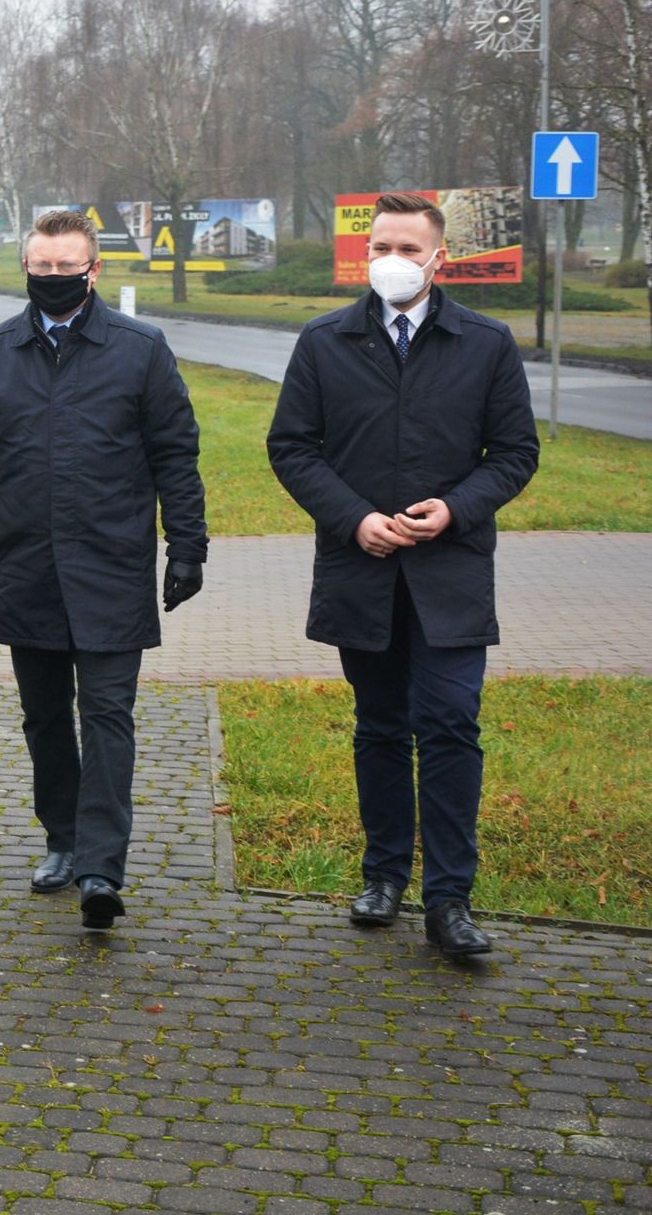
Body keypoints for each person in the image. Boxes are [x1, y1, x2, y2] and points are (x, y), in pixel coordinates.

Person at [268, 192, 539, 958]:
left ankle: (450, 899)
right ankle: (383, 876)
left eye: (408, 248)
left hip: (451, 574)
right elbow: (292, 447)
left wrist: (455, 509)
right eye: (380, 247)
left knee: (450, 722)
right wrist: (353, 517)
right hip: (364, 570)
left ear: (438, 258)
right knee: (381, 725)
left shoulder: (485, 343)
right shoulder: (325, 341)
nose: (392, 259)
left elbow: (515, 453)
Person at [0, 209, 208, 934]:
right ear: (27, 267)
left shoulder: (140, 350)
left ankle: (102, 867)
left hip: (112, 564)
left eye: (66, 266)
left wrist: (188, 545)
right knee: (45, 716)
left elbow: (176, 453)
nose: (53, 277)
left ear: (94, 268)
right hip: (29, 565)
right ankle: (63, 837)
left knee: (107, 715)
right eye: (42, 266)